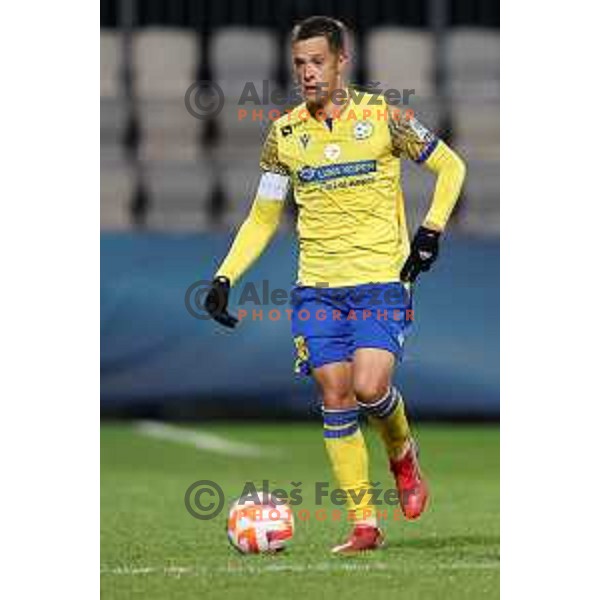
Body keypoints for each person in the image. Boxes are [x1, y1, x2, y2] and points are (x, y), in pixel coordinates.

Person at [204, 16, 466, 553]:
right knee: (335, 394)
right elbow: (262, 218)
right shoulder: (283, 136)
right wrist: (226, 275)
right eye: (299, 62)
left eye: (317, 61)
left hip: (379, 282)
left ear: (342, 60)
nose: (307, 72)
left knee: (371, 388)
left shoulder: (385, 118)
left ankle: (402, 451)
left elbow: (451, 167)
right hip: (317, 289)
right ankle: (365, 525)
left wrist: (432, 229)